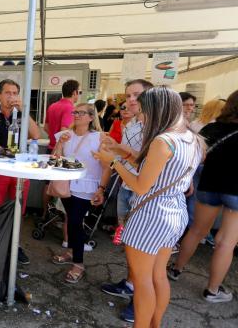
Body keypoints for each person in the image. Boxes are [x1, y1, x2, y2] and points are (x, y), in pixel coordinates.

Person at [94, 87, 203, 327]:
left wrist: (111, 161)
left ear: (156, 110)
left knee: (142, 281)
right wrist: (121, 151)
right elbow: (155, 168)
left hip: (150, 215)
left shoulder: (161, 141)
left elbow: (140, 185)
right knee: (157, 276)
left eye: (142, 110)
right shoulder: (190, 138)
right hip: (174, 212)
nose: (139, 116)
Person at [167, 90, 238, 303]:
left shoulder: (211, 128)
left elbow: (198, 158)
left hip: (208, 185)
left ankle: (176, 269)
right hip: (235, 190)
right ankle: (212, 290)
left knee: (197, 230)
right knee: (226, 242)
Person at [98, 78, 153, 323]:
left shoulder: (156, 128)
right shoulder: (130, 124)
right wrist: (116, 147)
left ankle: (138, 302)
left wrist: (112, 159)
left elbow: (144, 165)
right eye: (128, 95)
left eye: (137, 95)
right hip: (127, 187)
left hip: (145, 194)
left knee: (143, 251)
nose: (131, 99)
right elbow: (133, 156)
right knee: (130, 243)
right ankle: (130, 284)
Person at [0, 79, 40, 264]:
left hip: (19, 169)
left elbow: (36, 135)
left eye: (14, 93)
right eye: (7, 92)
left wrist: (24, 111)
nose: (11, 97)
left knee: (18, 209)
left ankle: (15, 245)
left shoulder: (22, 114)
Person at [51, 103, 110, 283]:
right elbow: (55, 159)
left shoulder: (99, 137)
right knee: (71, 220)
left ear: (91, 117)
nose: (76, 115)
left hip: (86, 187)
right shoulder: (65, 135)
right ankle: (71, 252)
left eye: (81, 113)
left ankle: (78, 263)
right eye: (75, 112)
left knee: (76, 222)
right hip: (67, 185)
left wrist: (102, 188)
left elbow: (107, 167)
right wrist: (60, 144)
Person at [42, 79, 80, 241]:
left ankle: (44, 214)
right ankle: (65, 223)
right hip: (63, 153)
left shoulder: (53, 106)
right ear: (74, 93)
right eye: (79, 92)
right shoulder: (70, 108)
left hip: (51, 149)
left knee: (48, 185)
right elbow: (66, 131)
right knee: (64, 189)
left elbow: (46, 127)